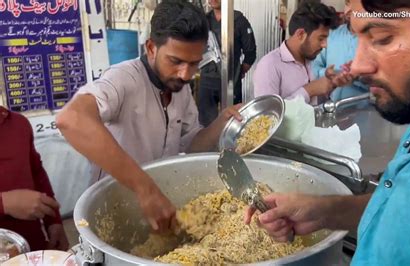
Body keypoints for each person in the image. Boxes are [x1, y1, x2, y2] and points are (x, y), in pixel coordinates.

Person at [246, 0, 410, 265]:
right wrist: (322, 211)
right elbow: (405, 208)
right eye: (358, 38)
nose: (356, 66)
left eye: (382, 38)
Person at [56, 1, 241, 233]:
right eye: (175, 61)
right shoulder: (124, 79)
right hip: (115, 210)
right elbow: (71, 119)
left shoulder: (179, 89)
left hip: (161, 210)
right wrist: (146, 189)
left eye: (194, 63)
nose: (186, 74)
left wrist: (221, 122)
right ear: (151, 48)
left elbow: (192, 144)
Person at [0, 106, 69, 251]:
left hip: (32, 247)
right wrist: (5, 203)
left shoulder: (18, 123)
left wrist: (53, 221)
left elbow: (36, 172)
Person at [253, 1, 347, 105]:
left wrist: (331, 83)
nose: (325, 45)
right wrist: (309, 90)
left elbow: (316, 103)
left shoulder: (311, 59)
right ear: (301, 34)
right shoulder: (269, 66)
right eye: (321, 39)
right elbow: (267, 114)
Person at [198, 0, 257, 126]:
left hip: (231, 82)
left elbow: (250, 52)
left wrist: (239, 71)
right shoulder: (203, 20)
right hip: (207, 80)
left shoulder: (238, 20)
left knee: (233, 122)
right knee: (205, 124)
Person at [311, 0, 369, 102]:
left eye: (354, 5)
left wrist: (359, 77)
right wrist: (326, 73)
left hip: (364, 108)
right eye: (347, 3)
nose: (349, 10)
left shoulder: (375, 39)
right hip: (332, 107)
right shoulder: (331, 35)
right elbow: (314, 66)